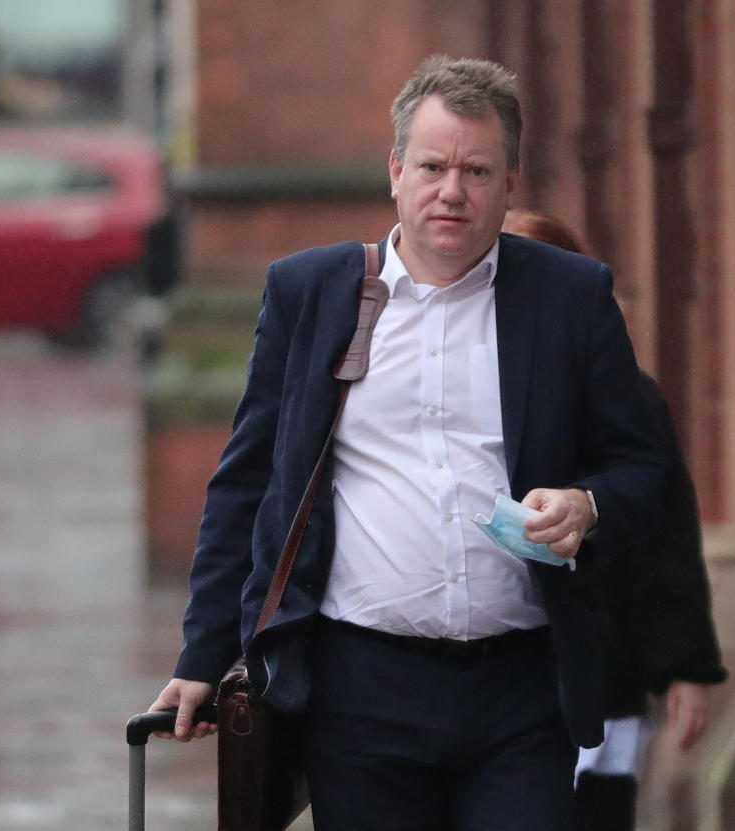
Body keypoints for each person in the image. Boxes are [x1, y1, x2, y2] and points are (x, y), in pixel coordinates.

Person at [148, 56, 666, 831]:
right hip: (361, 693)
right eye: (432, 166)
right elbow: (248, 483)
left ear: (511, 182)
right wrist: (201, 656)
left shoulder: (571, 297)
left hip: (521, 690)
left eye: (476, 170)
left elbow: (646, 468)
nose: (451, 190)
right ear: (396, 171)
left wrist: (589, 503)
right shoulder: (311, 294)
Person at [503, 210, 727, 831]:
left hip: (605, 664)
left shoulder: (626, 396)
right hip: (493, 665)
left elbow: (668, 533)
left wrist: (685, 666)